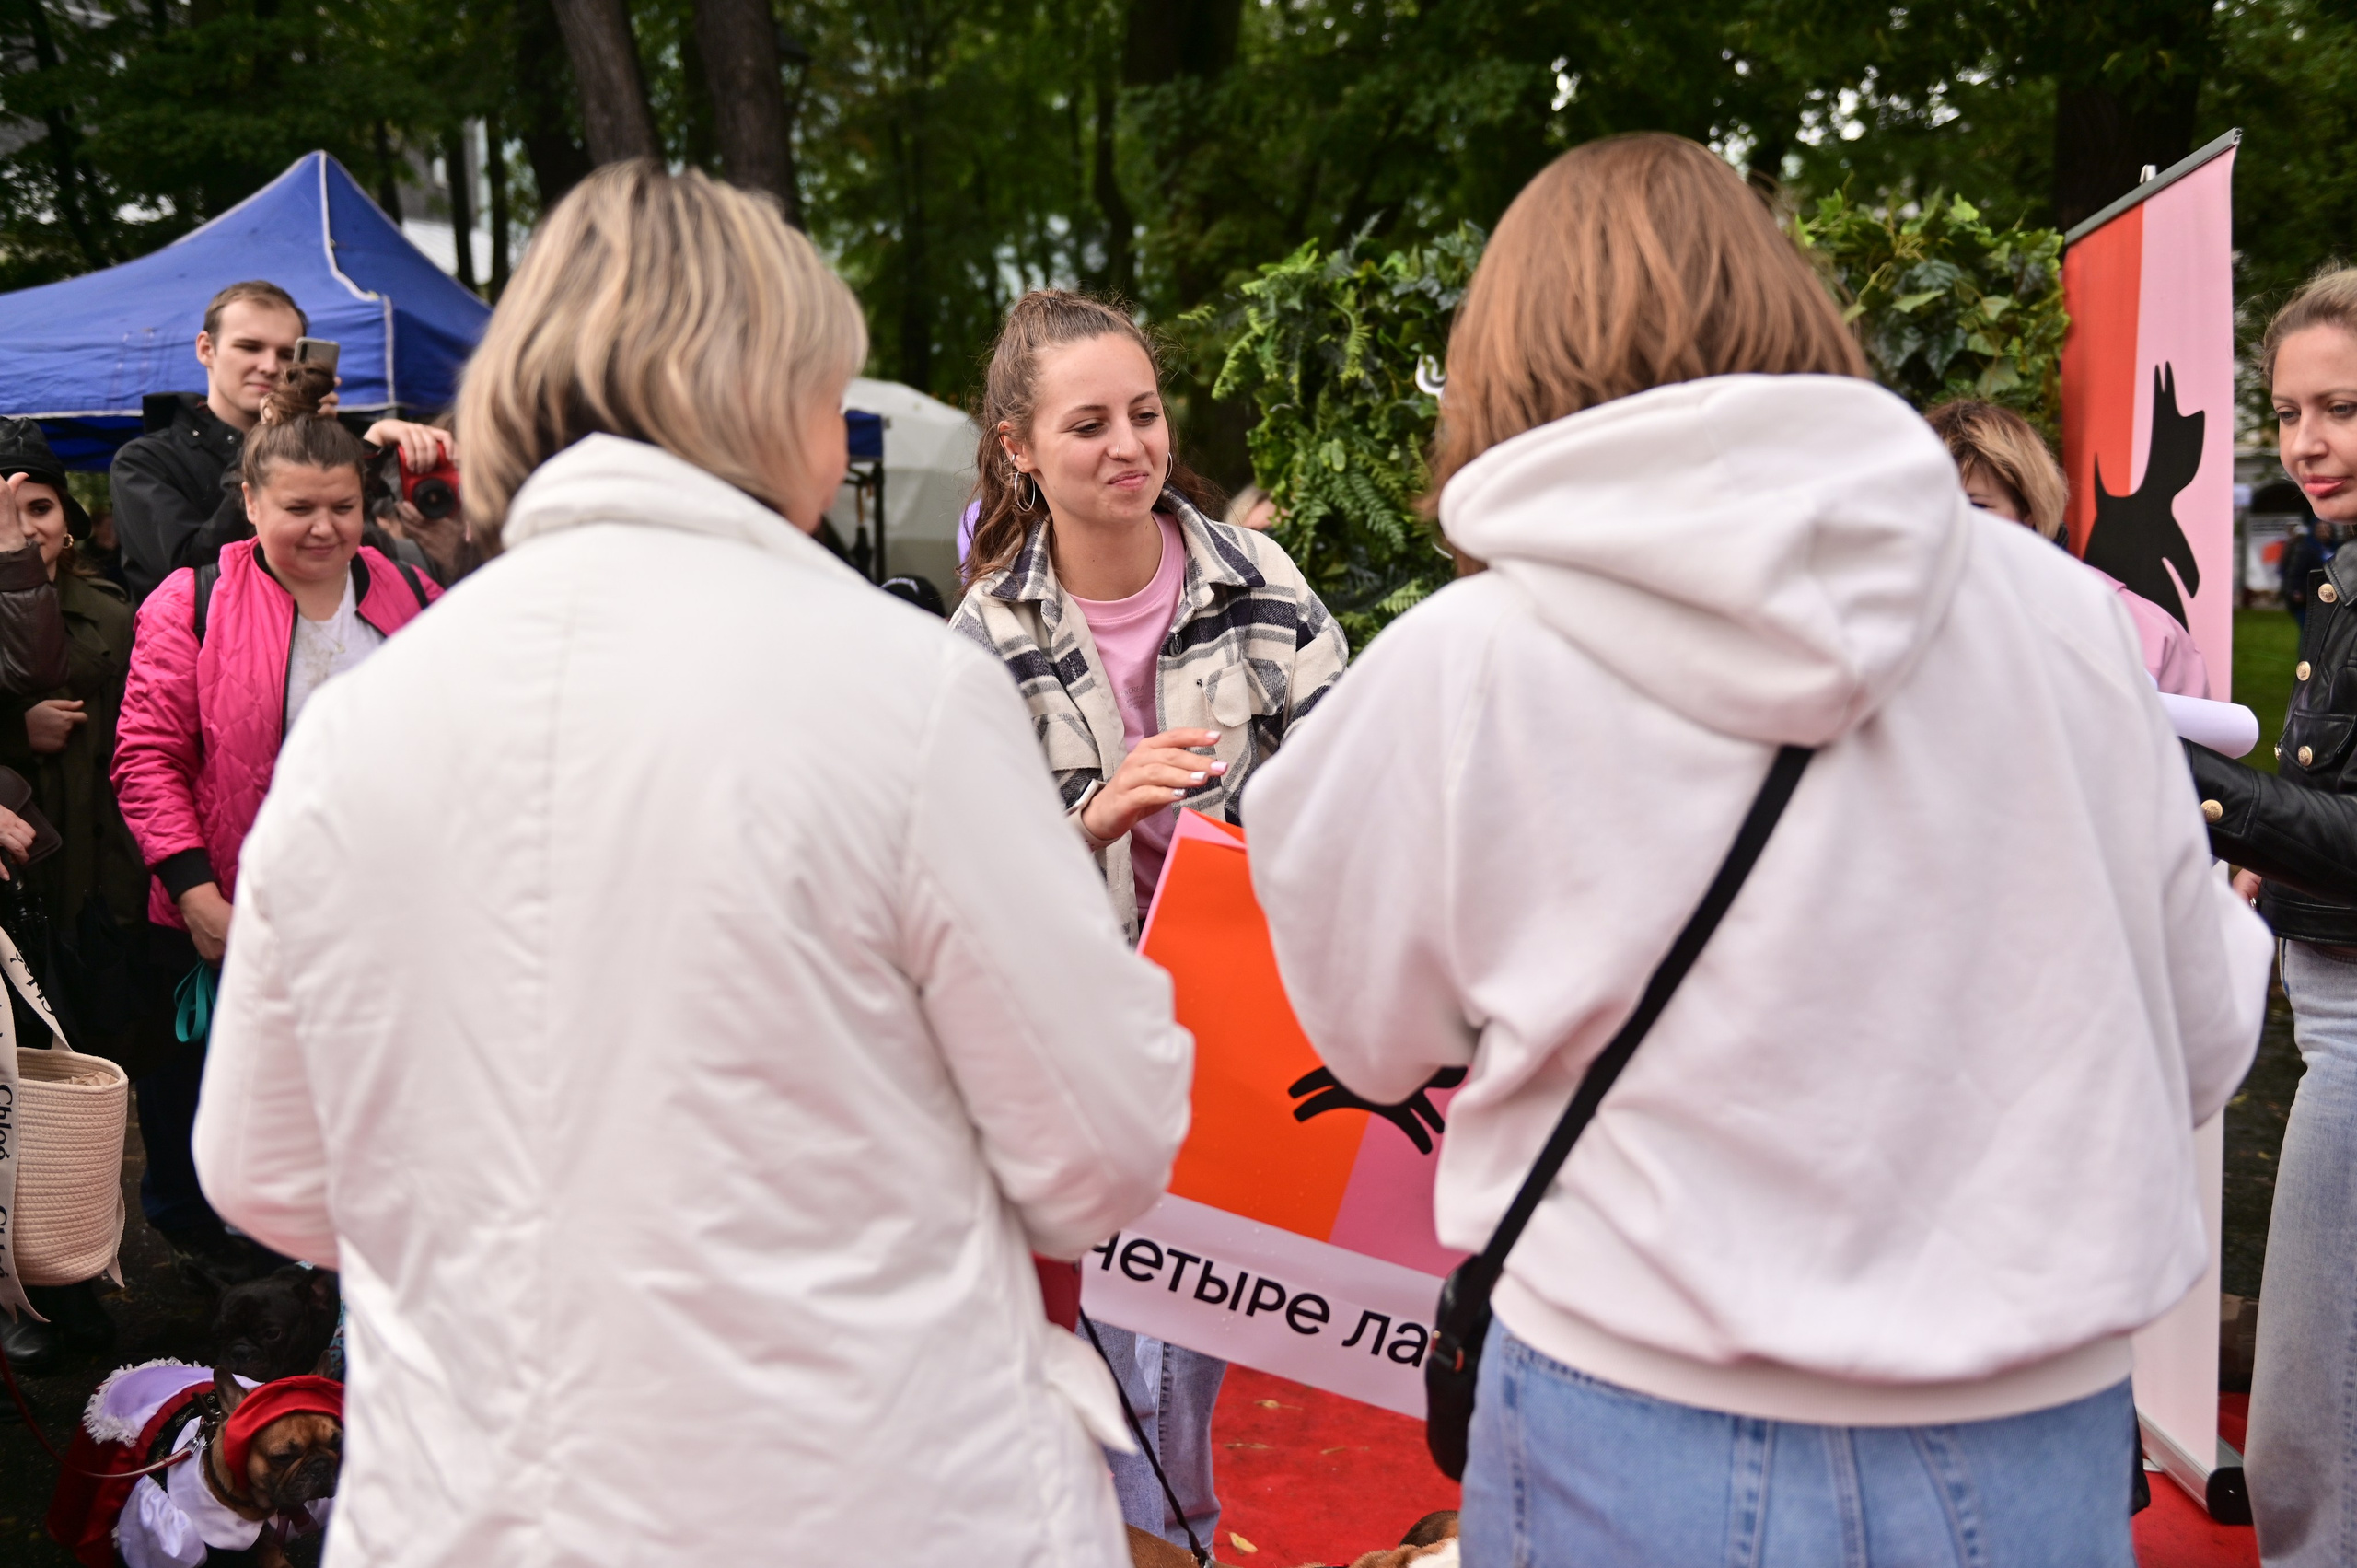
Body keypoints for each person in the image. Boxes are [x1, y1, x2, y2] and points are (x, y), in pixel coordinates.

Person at [1243, 134, 2270, 1568]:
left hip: (1629, 1396)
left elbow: (1363, 1035)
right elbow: (2208, 1033)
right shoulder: (2062, 625)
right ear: (1799, 313)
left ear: (1503, 359)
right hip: (2029, 1422)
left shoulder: (1460, 667)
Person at [189, 163, 1191, 1567]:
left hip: (475, 1512)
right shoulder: (903, 695)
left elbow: (264, 1166)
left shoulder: (363, 728)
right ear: (770, 401)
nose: (839, 449)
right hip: (866, 1503)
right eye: (830, 398)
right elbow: (1100, 1149)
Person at [948, 289, 1347, 1551]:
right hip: (1086, 1051)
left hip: (1255, 1040)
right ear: (1018, 447)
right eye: (1088, 425)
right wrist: (1089, 823)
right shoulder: (981, 637)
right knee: (1140, 1363)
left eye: (1146, 412)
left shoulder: (1264, 583)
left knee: (1182, 1362)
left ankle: (1167, 1529)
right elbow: (958, 887)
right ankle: (1167, 1534)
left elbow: (1360, 797)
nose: (1129, 445)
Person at [111, 360, 438, 1293]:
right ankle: (252, 1308)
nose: (325, 527)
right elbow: (146, 757)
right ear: (250, 502)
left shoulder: (409, 595)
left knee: (368, 1117)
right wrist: (194, 891)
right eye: (299, 508)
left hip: (382, 917)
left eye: (342, 505)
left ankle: (351, 1287)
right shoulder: (193, 599)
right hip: (237, 912)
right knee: (250, 1126)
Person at [2176, 264, 2357, 1568]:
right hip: (2331, 1010)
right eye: (2290, 409)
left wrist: (2206, 792)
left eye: (2342, 406)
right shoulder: (2338, 566)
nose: (2306, 440)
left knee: (2305, 1409)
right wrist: (2269, 863)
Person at [0, 419, 139, 1369]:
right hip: (22, 876)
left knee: (82, 1096)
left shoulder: (110, 609)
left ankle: (79, 1266)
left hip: (92, 883)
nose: (27, 526)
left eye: (39, 505)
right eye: (11, 510)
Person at [110, 279, 450, 602]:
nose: (270, 366)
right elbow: (193, 576)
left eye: (288, 354)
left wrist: (369, 450)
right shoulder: (142, 461)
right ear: (206, 349)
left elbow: (358, 560)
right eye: (249, 347)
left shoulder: (330, 449)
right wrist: (269, 437)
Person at [1926, 397, 2210, 697]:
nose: (1950, 522)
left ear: (2029, 510)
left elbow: (2198, 738)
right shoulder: (1886, 615)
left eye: (1975, 505)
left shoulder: (2136, 627)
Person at [2282, 516, 2335, 629]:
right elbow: (2294, 571)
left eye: (2327, 528)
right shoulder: (2305, 548)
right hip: (2308, 597)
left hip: (2330, 597)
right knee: (2309, 630)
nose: (2324, 531)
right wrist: (2295, 591)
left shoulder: (2336, 547)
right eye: (2320, 528)